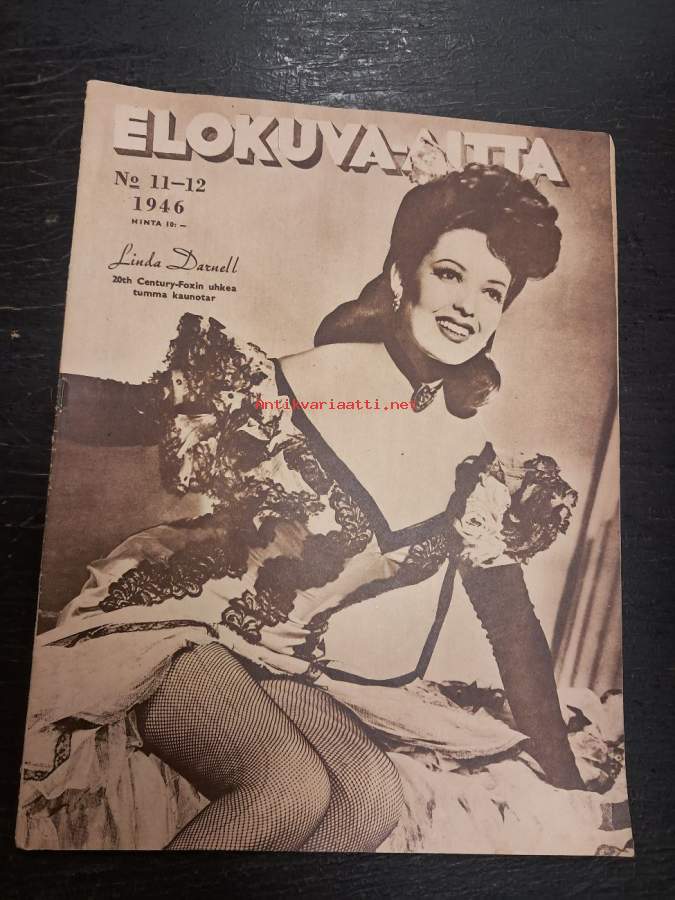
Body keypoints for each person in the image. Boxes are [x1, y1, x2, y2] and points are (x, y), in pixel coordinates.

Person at [19, 164, 592, 853]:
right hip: (177, 627)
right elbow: (133, 411)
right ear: (399, 277)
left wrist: (566, 778)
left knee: (372, 799)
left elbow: (511, 629)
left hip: (276, 664)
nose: (468, 305)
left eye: (492, 291)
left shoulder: (478, 470)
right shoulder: (294, 382)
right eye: (449, 274)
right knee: (287, 786)